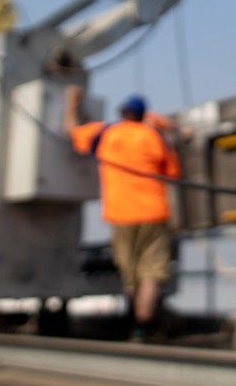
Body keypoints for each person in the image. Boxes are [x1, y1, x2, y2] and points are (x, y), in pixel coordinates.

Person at [63, 86, 179, 342]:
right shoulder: (154, 135)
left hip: (120, 215)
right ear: (142, 114)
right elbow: (172, 173)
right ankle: (142, 326)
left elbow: (72, 132)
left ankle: (136, 321)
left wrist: (72, 103)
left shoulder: (105, 133)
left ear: (122, 113)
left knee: (130, 275)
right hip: (153, 213)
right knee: (151, 272)